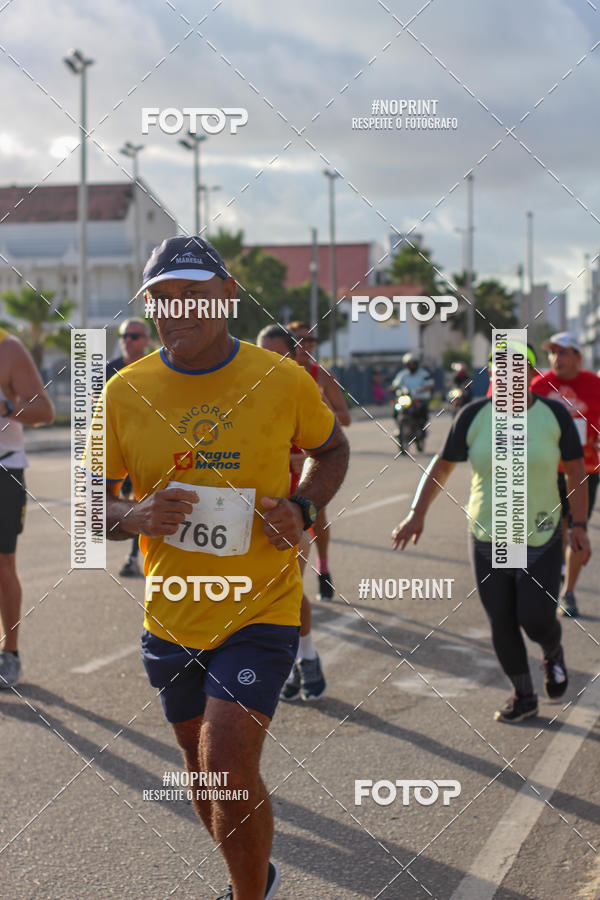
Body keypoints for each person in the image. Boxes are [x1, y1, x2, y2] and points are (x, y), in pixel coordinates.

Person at [98, 238, 349, 900]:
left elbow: (333, 450)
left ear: (228, 293)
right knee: (203, 775)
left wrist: (301, 504)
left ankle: (247, 895)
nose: (175, 310)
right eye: (160, 298)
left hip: (259, 611)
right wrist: (132, 515)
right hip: (171, 615)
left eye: (192, 293)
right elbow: (86, 499)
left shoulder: (282, 379)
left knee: (227, 762)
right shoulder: (124, 391)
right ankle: (254, 873)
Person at [392, 343, 590, 723]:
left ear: (531, 376)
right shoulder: (474, 416)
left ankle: (552, 651)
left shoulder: (553, 416)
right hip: (489, 535)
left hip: (540, 534)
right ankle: (523, 694)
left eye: (518, 368)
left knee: (534, 617)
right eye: (501, 369)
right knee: (502, 618)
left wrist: (579, 525)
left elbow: (575, 472)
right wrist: (417, 513)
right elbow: (442, 466)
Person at [256, 324, 326, 701]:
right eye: (262, 353)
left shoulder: (301, 393)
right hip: (243, 516)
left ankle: (306, 657)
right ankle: (291, 661)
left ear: (294, 355)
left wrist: (298, 456)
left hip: (288, 512)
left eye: (277, 354)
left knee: (288, 592)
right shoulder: (242, 395)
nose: (269, 362)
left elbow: (328, 449)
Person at [530, 331, 600, 617]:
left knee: (576, 529)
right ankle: (555, 572)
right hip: (547, 471)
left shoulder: (594, 384)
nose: (556, 358)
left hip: (585, 470)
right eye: (553, 352)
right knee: (553, 530)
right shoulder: (538, 386)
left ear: (578, 357)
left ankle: (568, 592)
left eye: (563, 352)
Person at [0, 327, 54, 687]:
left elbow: (45, 410)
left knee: (2, 563)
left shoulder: (8, 349)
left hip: (4, 467)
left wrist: (7, 407)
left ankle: (11, 652)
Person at [288, 321, 351, 602]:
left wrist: (321, 408)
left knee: (315, 515)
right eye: (300, 340)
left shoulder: (322, 375)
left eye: (311, 341)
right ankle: (285, 584)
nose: (306, 346)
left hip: (310, 458)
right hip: (279, 455)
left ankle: (323, 570)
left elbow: (346, 417)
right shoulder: (276, 373)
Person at [105, 318, 151, 578]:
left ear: (145, 339)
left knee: (141, 499)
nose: (127, 340)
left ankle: (134, 556)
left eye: (134, 335)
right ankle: (135, 553)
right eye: (124, 336)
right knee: (119, 502)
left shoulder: (157, 368)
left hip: (148, 449)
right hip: (117, 450)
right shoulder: (108, 372)